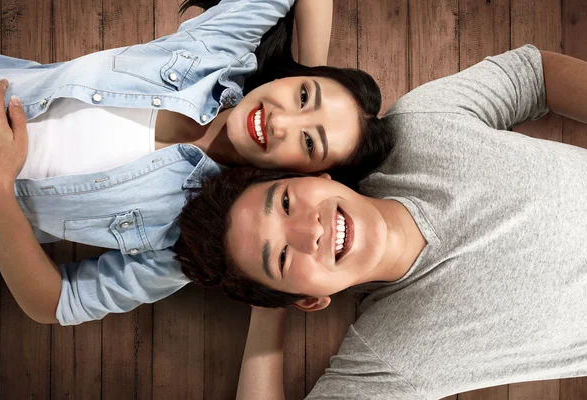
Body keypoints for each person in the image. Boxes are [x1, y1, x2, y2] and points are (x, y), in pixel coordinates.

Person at [175, 45, 587, 399]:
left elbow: (532, 73)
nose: (310, 230)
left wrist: (282, 276)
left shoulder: (423, 124)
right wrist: (270, 302)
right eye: (281, 256)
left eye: (285, 202)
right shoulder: (393, 356)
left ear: (315, 176)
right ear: (310, 300)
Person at [0, 0, 393, 326]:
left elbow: (55, 304)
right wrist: (311, 64)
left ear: (301, 174)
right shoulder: (215, 55)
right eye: (303, 96)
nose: (280, 120)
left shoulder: (191, 242)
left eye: (309, 142)